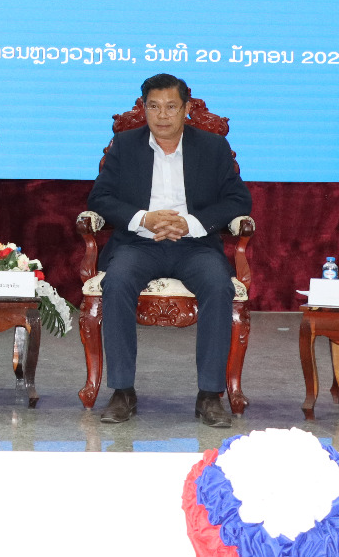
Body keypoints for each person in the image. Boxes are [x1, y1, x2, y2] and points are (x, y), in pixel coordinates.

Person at [84, 73, 252, 427]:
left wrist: (190, 223)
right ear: (143, 108)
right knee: (117, 282)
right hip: (139, 243)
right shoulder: (125, 144)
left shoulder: (212, 147)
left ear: (186, 109)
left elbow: (238, 200)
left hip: (195, 245)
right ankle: (122, 391)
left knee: (218, 285)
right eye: (154, 106)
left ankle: (210, 395)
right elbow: (100, 198)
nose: (162, 115)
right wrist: (143, 218)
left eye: (171, 107)